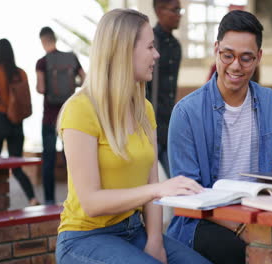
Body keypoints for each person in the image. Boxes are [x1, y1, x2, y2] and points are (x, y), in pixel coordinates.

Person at [55, 9, 212, 264]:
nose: (157, 54)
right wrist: (157, 189)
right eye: (150, 47)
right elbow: (92, 202)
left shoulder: (143, 109)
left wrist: (155, 241)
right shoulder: (80, 110)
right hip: (85, 238)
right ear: (124, 50)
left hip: (134, 231)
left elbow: (152, 187)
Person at [166, 10, 272, 264]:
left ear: (259, 57)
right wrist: (241, 227)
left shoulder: (270, 102)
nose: (236, 66)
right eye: (228, 55)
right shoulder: (186, 113)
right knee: (244, 252)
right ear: (216, 49)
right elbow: (188, 198)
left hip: (255, 213)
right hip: (202, 221)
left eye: (246, 58)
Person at [0, 38, 40, 206]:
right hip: (17, 122)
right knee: (16, 166)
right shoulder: (21, 73)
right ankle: (32, 198)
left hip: (1, 119)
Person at [36, 26, 86, 205]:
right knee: (72, 158)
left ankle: (49, 201)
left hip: (50, 117)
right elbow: (85, 79)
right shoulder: (71, 57)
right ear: (54, 39)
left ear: (43, 41)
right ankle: (76, 197)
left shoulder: (42, 62)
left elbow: (41, 88)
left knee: (48, 159)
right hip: (69, 115)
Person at [146, 0, 183, 178]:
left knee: (173, 178)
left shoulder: (176, 46)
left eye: (180, 10)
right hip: (147, 123)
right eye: (175, 10)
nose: (179, 15)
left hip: (169, 124)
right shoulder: (149, 43)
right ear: (160, 11)